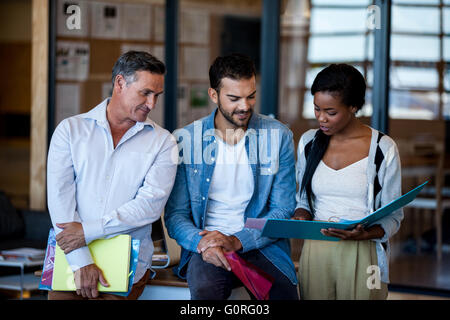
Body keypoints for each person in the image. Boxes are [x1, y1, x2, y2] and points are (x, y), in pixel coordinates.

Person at [164, 53, 299, 300]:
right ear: (214, 95)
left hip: (261, 242)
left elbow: (283, 209)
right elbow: (176, 215)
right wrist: (201, 243)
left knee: (284, 294)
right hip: (208, 245)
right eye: (234, 98)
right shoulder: (187, 140)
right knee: (206, 292)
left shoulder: (278, 136)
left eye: (251, 96)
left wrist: (237, 240)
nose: (245, 106)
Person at [47, 51, 178, 300]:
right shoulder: (70, 130)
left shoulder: (164, 143)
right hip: (72, 257)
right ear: (120, 83)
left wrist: (87, 231)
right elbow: (59, 200)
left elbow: (148, 207)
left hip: (128, 261)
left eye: (156, 96)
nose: (151, 104)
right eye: (145, 93)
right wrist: (81, 262)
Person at [293, 64, 403, 300]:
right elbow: (302, 198)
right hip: (316, 248)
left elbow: (394, 215)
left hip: (364, 251)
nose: (321, 118)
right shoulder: (309, 143)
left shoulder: (383, 149)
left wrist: (364, 234)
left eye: (331, 112)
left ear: (353, 107)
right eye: (316, 109)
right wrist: (301, 215)